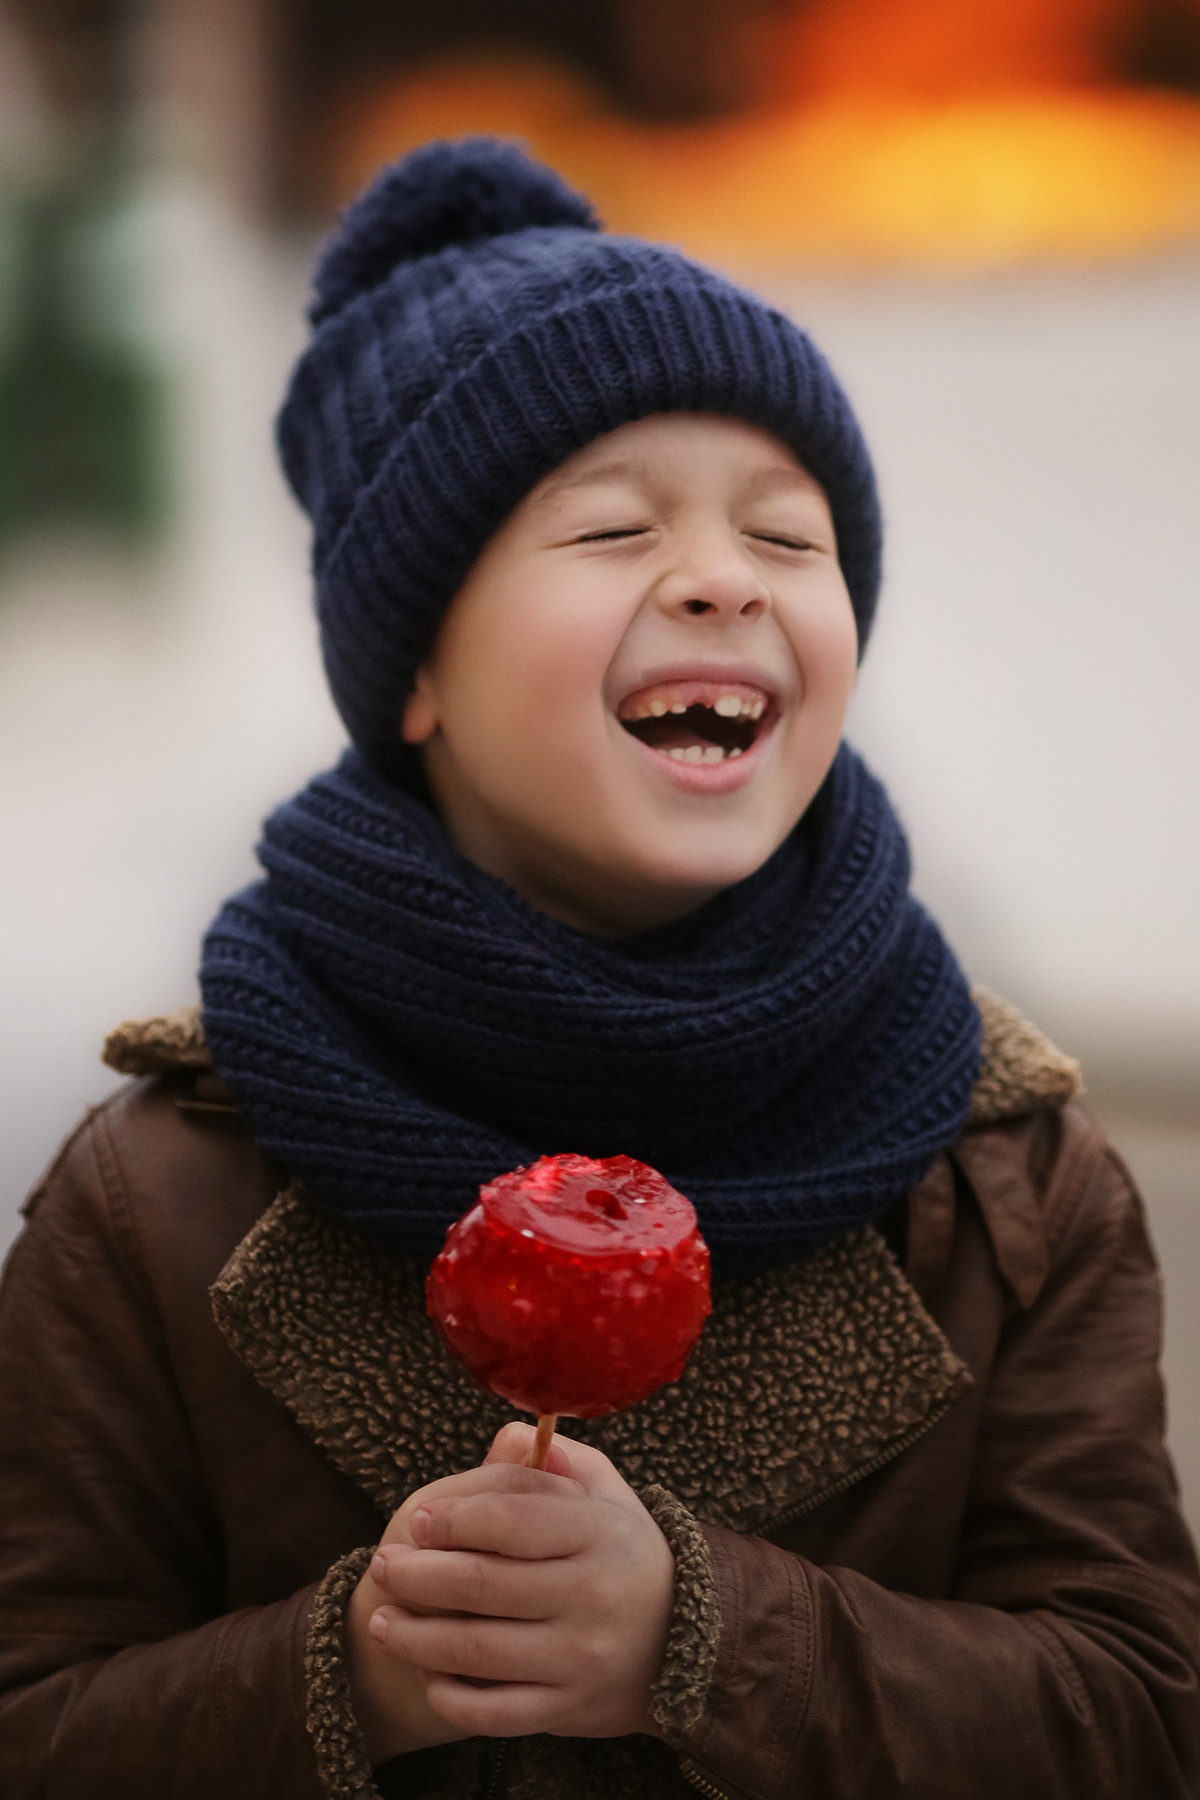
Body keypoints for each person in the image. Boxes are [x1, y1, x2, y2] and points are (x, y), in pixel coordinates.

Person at [0, 137, 1196, 1800]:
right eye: (613, 527)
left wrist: (700, 1639)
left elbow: (1136, 1717)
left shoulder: (1009, 1186)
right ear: (416, 665)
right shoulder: (160, 1196)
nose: (720, 576)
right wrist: (347, 1674)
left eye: (792, 538)